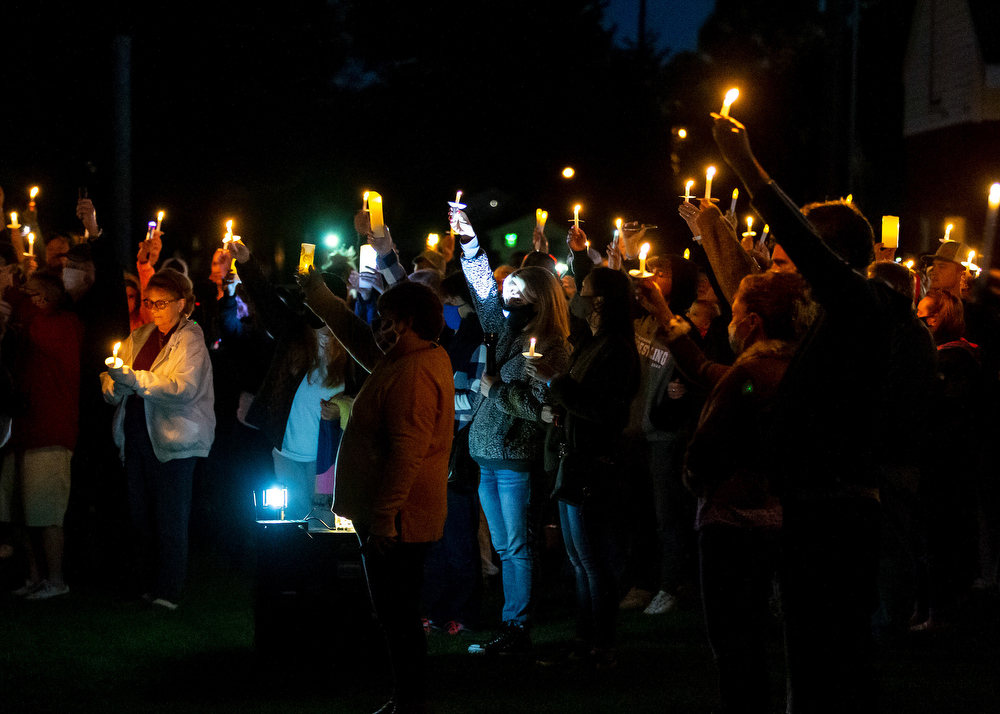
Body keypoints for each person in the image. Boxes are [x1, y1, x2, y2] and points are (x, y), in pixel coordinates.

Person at [639, 269, 813, 714]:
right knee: (766, 639)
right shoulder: (794, 369)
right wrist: (663, 312)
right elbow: (703, 368)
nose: (728, 320)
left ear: (752, 322)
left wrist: (697, 478)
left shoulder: (750, 373)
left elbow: (707, 448)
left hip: (733, 522)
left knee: (734, 642)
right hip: (781, 517)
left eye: (734, 312)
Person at [297, 274, 454, 714]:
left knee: (398, 618)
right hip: (397, 516)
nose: (379, 330)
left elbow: (408, 453)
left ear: (405, 323)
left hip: (400, 521)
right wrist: (316, 294)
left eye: (386, 322)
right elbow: (356, 336)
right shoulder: (407, 358)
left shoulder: (414, 371)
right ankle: (406, 698)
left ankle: (409, 702)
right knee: (397, 616)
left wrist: (385, 518)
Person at [453, 207, 571, 655]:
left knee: (517, 546)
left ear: (540, 298)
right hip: (486, 457)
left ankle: (517, 628)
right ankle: (510, 623)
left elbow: (538, 407)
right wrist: (468, 243)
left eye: (519, 290)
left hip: (515, 459)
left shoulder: (552, 345)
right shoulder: (503, 329)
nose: (508, 296)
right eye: (509, 288)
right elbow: (482, 289)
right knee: (504, 548)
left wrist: (495, 389)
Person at [533, 267, 640, 668]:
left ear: (603, 301)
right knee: (579, 561)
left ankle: (601, 646)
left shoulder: (618, 348)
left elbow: (604, 410)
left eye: (587, 293)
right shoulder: (596, 343)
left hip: (592, 463)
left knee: (593, 562)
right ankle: (584, 641)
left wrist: (557, 384)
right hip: (574, 459)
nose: (579, 299)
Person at [100, 268, 215, 609]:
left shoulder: (190, 339)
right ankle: (145, 583)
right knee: (141, 515)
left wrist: (134, 380)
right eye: (148, 302)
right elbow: (113, 379)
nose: (152, 309)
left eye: (161, 303)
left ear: (182, 303)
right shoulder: (143, 334)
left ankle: (169, 590)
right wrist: (116, 382)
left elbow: (184, 388)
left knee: (170, 517)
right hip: (137, 435)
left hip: (175, 440)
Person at [227, 241, 350, 525]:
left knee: (324, 523)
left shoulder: (352, 342)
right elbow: (266, 300)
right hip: (289, 450)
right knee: (294, 523)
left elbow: (361, 390)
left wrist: (342, 406)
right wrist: (246, 261)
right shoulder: (293, 331)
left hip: (329, 454)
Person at [1, 270, 82, 599]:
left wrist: (8, 289)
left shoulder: (64, 324)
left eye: (34, 293)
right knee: (17, 512)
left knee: (46, 514)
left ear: (49, 297)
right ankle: (34, 576)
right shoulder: (30, 325)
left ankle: (56, 580)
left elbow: (30, 321)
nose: (28, 297)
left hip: (50, 433)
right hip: (20, 432)